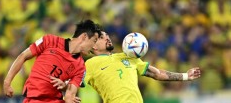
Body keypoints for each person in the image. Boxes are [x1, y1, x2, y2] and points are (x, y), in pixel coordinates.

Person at [51, 31, 201, 103]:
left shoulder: (128, 57)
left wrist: (185, 76)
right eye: (101, 37)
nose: (107, 38)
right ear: (92, 46)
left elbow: (156, 73)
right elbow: (74, 83)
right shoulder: (89, 64)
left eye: (107, 35)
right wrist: (64, 87)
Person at [3, 19, 102, 103]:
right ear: (84, 37)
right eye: (94, 41)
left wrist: (65, 87)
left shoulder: (80, 67)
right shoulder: (49, 40)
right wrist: (7, 82)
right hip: (33, 98)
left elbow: (70, 94)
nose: (94, 47)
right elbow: (23, 56)